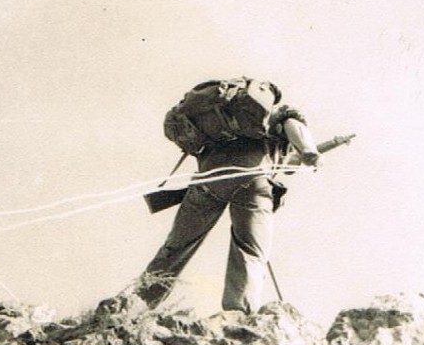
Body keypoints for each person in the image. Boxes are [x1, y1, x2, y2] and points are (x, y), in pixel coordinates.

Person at [130, 78, 319, 314]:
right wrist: (309, 150)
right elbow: (294, 125)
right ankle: (237, 313)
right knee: (249, 249)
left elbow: (288, 165)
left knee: (177, 246)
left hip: (207, 183)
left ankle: (136, 304)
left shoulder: (220, 121)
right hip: (251, 181)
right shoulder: (274, 112)